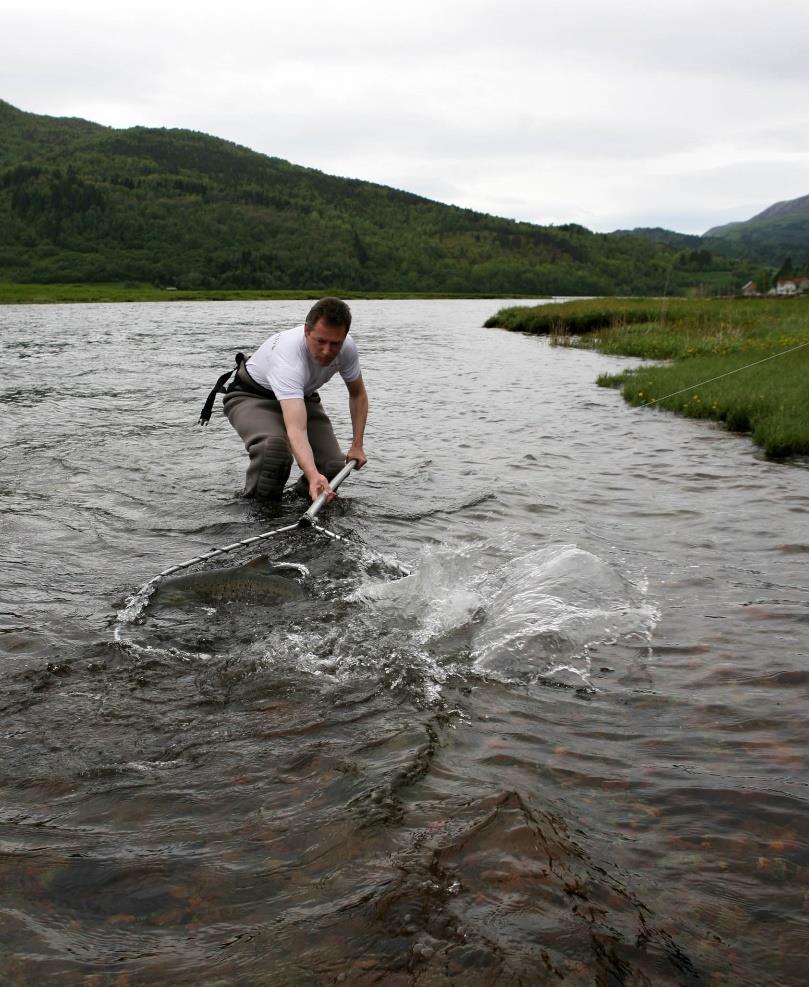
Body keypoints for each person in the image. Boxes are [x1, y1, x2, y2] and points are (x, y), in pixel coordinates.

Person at [221, 297, 368, 504]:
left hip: (302, 396)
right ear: (307, 331)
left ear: (344, 337)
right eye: (320, 341)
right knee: (274, 451)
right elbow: (296, 429)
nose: (327, 351)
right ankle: (258, 513)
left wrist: (357, 445)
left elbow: (358, 394)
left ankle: (302, 499)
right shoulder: (287, 358)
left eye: (335, 344)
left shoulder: (348, 349)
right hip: (253, 396)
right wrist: (312, 474)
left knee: (333, 466)